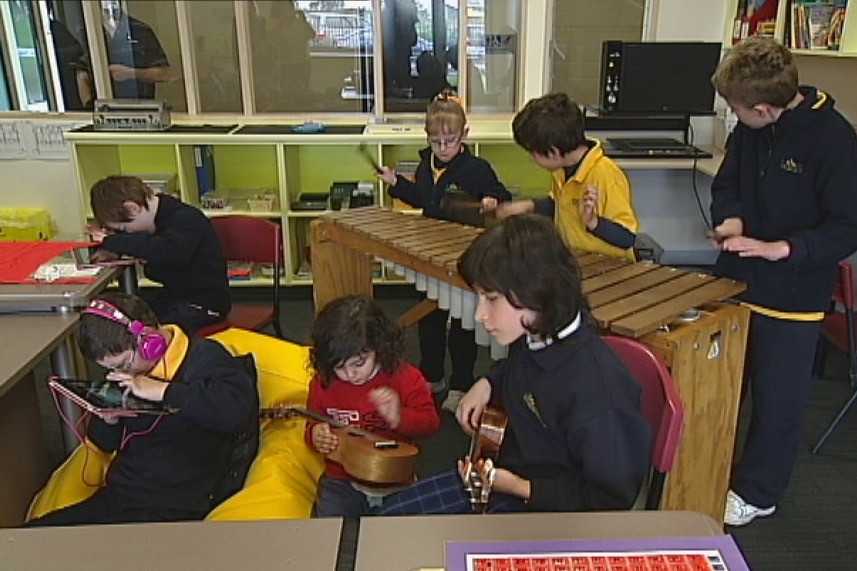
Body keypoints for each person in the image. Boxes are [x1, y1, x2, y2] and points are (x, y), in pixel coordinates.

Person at [373, 214, 651, 515]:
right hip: (503, 475)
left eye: (491, 298)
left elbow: (611, 499)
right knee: (389, 517)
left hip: (548, 511)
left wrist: (520, 487)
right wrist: (488, 382)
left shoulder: (599, 392)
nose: (480, 314)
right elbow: (522, 369)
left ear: (538, 291)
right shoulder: (532, 333)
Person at [709, 36, 857, 527]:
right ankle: (713, 469)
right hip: (735, 281)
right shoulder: (751, 130)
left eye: (735, 108)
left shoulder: (834, 139)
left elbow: (847, 227)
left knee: (778, 402)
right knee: (724, 387)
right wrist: (729, 219)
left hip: (792, 295)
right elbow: (727, 183)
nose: (731, 115)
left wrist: (784, 249)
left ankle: (758, 491)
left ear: (767, 109)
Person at [27, 292, 258, 526]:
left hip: (172, 506)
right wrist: (109, 420)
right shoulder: (128, 375)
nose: (123, 373)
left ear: (150, 341)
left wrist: (162, 391)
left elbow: (236, 411)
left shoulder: (204, 357)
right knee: (30, 536)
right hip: (119, 496)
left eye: (124, 364)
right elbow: (105, 444)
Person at [377, 93, 511, 411]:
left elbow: (499, 194)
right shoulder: (426, 166)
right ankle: (432, 374)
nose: (442, 148)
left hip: (463, 255)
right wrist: (395, 182)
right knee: (429, 318)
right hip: (430, 251)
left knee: (464, 324)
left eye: (449, 141)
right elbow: (422, 199)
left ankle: (461, 383)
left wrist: (492, 201)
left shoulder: (477, 169)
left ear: (464, 135)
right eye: (436, 141)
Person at [306, 295, 440, 518]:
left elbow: (431, 425)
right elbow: (313, 423)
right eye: (340, 367)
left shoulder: (405, 377)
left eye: (359, 364)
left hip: (396, 479)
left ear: (379, 347)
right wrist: (315, 435)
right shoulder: (324, 383)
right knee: (326, 533)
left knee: (404, 539)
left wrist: (400, 418)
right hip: (343, 480)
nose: (350, 374)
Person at [484, 93, 638, 261]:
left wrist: (593, 222)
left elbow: (627, 237)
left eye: (533, 152)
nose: (531, 158)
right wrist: (526, 206)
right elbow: (558, 205)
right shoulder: (561, 171)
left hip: (611, 270)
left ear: (554, 152)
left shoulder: (607, 175)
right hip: (577, 262)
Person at [88, 175, 231, 336]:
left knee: (140, 330)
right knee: (126, 316)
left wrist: (112, 241)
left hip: (204, 305)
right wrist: (114, 248)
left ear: (132, 208)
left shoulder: (186, 218)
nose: (126, 234)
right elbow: (145, 244)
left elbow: (167, 252)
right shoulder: (159, 218)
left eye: (124, 230)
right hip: (179, 298)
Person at [76, 0, 170, 107]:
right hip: (104, 112)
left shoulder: (141, 30)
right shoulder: (88, 32)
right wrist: (89, 107)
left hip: (141, 110)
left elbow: (164, 74)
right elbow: (81, 73)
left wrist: (130, 73)